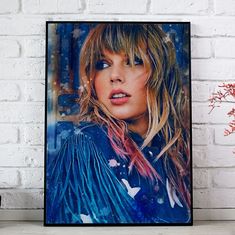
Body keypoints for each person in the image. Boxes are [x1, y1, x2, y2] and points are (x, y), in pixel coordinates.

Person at [46, 23, 191, 224]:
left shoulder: (179, 153)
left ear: (161, 72)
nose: (114, 76)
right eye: (103, 65)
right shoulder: (86, 146)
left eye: (133, 61)